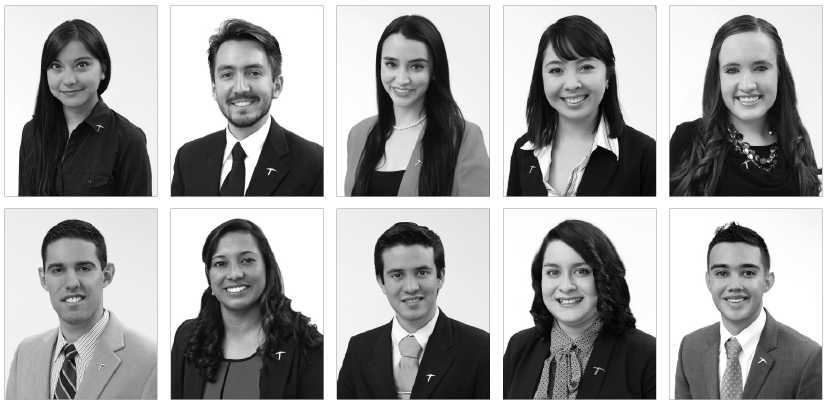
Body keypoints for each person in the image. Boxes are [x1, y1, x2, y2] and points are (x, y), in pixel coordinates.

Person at [171, 219, 323, 399]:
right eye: (221, 263)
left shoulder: (306, 345)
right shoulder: (187, 336)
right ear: (209, 274)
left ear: (267, 267)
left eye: (247, 260)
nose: (235, 274)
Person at [504, 220, 655, 399]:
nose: (566, 286)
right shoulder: (519, 345)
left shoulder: (648, 354)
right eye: (553, 272)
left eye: (581, 271)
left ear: (605, 276)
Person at [670, 15, 821, 196]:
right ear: (718, 77)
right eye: (732, 70)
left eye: (760, 68)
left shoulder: (797, 141)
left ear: (779, 72)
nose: (747, 85)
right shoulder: (689, 140)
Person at [6, 220, 157, 399]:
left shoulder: (151, 361)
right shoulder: (24, 353)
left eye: (84, 268)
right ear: (44, 279)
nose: (72, 283)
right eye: (58, 270)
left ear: (106, 275)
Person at [171, 19, 323, 196]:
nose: (240, 88)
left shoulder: (316, 163)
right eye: (227, 74)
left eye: (254, 73)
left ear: (277, 85)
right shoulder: (187, 158)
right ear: (214, 88)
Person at [338, 222, 490, 398]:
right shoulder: (358, 348)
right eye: (397, 275)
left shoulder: (481, 348)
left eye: (422, 272)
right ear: (381, 282)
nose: (411, 287)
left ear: (440, 276)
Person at [507, 16, 655, 197]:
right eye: (556, 70)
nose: (571, 84)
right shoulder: (523, 150)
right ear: (542, 79)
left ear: (608, 76)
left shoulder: (645, 153)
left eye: (585, 67)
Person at [343, 15, 489, 196]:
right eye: (391, 64)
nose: (402, 79)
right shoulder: (359, 134)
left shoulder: (464, 137)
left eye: (417, 66)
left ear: (435, 70)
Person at [674, 222, 822, 399]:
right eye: (722, 273)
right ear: (708, 281)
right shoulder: (689, 348)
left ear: (767, 281)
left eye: (748, 273)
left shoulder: (807, 358)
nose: (735, 286)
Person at [18, 20, 152, 196]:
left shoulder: (128, 139)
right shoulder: (32, 132)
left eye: (81, 65)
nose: (69, 80)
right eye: (56, 66)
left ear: (103, 69)